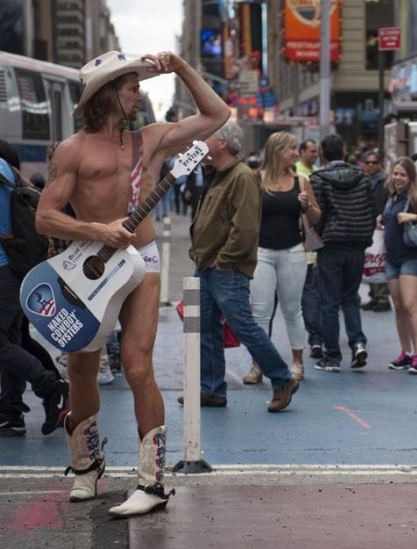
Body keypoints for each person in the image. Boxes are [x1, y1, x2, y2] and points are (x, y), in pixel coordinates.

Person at [35, 50, 229, 516]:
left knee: (139, 366)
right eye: (132, 87)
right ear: (108, 95)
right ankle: (86, 467)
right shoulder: (73, 149)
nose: (140, 94)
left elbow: (218, 115)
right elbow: (45, 217)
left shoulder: (151, 141)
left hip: (141, 259)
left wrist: (181, 66)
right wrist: (98, 231)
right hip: (87, 263)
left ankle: (152, 482)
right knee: (81, 368)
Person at [187, 120, 299, 407]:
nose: (201, 140)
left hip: (225, 269)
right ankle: (212, 388)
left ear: (223, 142)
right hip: (207, 266)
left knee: (243, 325)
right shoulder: (219, 174)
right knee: (206, 327)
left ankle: (281, 377)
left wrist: (225, 260)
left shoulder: (241, 177)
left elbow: (245, 227)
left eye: (207, 135)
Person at [242, 132, 320, 385]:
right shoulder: (256, 179)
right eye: (291, 149)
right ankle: (258, 365)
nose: (296, 153)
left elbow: (317, 217)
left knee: (292, 310)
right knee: (261, 313)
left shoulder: (302, 180)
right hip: (261, 251)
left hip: (293, 251)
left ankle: (298, 362)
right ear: (277, 151)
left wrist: (308, 206)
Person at [1, 157, 70, 438]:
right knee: (13, 340)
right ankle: (11, 411)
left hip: (3, 270)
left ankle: (48, 385)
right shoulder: (6, 168)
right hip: (18, 269)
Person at [310, 134, 375, 373]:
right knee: (350, 297)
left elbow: (318, 215)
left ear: (322, 154)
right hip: (357, 244)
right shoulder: (363, 178)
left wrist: (316, 241)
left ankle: (332, 356)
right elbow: (371, 209)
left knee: (328, 302)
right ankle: (358, 344)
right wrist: (365, 238)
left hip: (331, 245)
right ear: (345, 152)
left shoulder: (317, 179)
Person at [380, 157, 417, 374]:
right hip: (392, 258)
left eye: (402, 174)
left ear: (411, 177)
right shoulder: (392, 196)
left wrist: (413, 216)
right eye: (395, 173)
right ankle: (405, 352)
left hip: (412, 256)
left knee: (411, 306)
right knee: (399, 306)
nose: (398, 178)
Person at [360, 150, 391, 313]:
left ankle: (383, 297)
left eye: (374, 162)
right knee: (371, 260)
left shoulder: (386, 182)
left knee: (380, 261)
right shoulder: (364, 181)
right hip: (367, 225)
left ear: (380, 164)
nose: (371, 165)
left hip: (381, 226)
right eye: (368, 162)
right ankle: (373, 296)